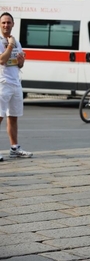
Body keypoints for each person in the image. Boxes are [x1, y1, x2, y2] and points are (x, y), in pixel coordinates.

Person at [0, 12, 31, 161]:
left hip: (15, 82)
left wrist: (21, 61)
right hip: (2, 83)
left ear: (13, 24)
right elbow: (2, 60)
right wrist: (10, 45)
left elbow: (20, 63)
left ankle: (14, 148)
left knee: (13, 117)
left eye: (9, 22)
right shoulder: (3, 41)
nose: (6, 25)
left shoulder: (16, 41)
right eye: (3, 22)